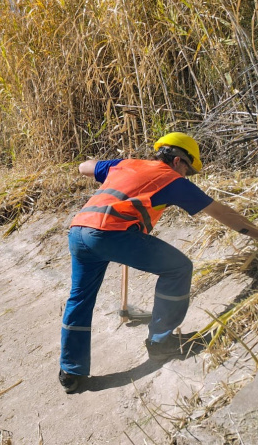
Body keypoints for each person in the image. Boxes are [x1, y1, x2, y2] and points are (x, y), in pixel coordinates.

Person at [59, 132, 258, 394]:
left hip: (78, 231)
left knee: (79, 298)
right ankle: (160, 343)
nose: (186, 176)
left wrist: (114, 169)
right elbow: (220, 212)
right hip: (110, 234)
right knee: (178, 268)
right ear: (178, 161)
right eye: (188, 170)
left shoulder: (127, 164)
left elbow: (84, 167)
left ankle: (70, 371)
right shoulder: (172, 180)